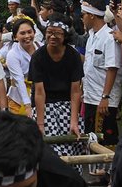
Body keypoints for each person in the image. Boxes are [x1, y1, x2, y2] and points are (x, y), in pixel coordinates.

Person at [27, 15, 84, 171]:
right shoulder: (38, 56)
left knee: (72, 145)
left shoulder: (73, 55)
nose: (52, 36)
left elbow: (75, 90)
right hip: (45, 106)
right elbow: (39, 92)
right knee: (53, 149)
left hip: (67, 105)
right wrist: (40, 124)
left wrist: (74, 120)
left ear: (65, 35)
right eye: (49, 32)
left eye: (57, 33)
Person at [80, 0, 122, 151]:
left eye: (83, 14)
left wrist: (105, 97)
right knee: (91, 138)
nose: (82, 18)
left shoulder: (109, 37)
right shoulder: (91, 35)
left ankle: (110, 166)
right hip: (90, 96)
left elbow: (112, 68)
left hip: (103, 99)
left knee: (106, 139)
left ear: (92, 15)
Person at [2, 17, 37, 116]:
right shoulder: (12, 54)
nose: (27, 36)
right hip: (19, 97)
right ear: (15, 37)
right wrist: (27, 105)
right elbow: (19, 80)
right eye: (22, 33)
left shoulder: (41, 47)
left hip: (40, 93)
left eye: (29, 32)